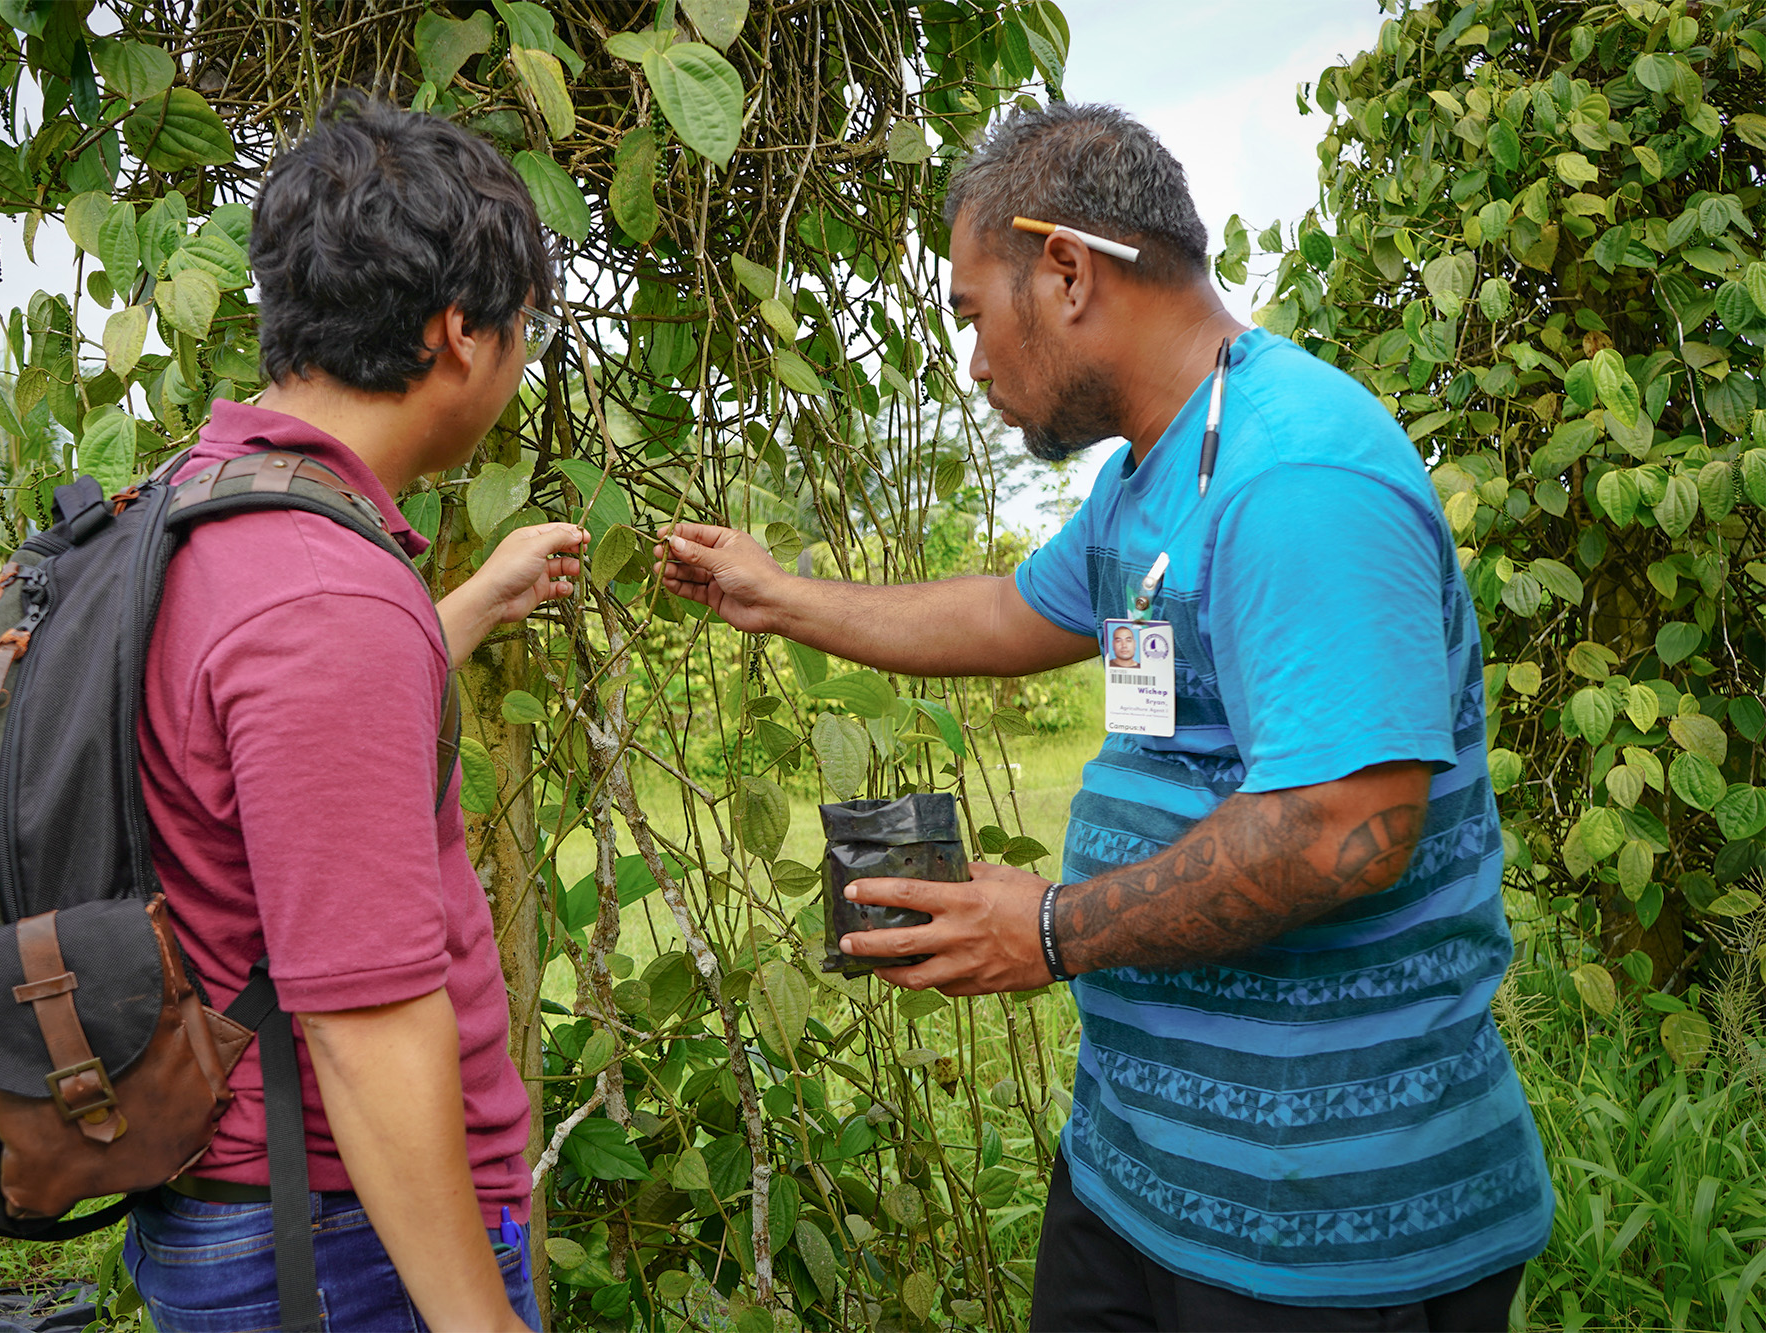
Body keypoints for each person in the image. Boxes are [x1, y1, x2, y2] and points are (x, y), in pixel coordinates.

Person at [660, 103, 1551, 1332]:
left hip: (1324, 1234)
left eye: (972, 312)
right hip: (1137, 1182)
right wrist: (780, 597)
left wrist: (1054, 929)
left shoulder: (1294, 477)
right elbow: (1001, 611)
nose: (971, 361)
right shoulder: (1154, 471)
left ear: (1067, 271)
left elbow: (1347, 826)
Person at [122, 95, 584, 1333]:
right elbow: (365, 1029)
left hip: (249, 1208)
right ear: (458, 335)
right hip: (331, 1237)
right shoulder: (324, 603)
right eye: (523, 328)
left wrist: (468, 604)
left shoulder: (205, 505)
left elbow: (272, 762)